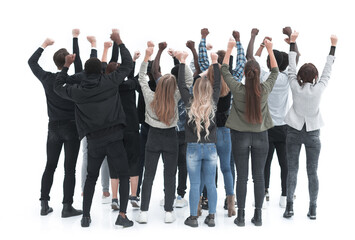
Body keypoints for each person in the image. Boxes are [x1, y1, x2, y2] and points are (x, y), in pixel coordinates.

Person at [54, 30, 134, 228]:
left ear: (84, 74)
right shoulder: (109, 82)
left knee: (91, 178)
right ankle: (122, 216)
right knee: (124, 175)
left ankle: (86, 216)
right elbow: (128, 65)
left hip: (94, 141)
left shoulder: (77, 92)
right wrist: (120, 42)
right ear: (100, 71)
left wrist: (66, 67)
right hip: (115, 138)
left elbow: (57, 86)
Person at [221, 36, 279, 227]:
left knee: (242, 177)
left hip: (239, 136)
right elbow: (275, 71)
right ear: (258, 74)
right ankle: (259, 216)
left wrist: (229, 48)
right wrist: (269, 49)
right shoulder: (264, 89)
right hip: (261, 137)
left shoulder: (237, 89)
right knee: (259, 176)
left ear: (245, 74)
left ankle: (242, 217)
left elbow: (224, 70)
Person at [135, 42, 193, 224]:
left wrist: (146, 57)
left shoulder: (150, 96)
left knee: (149, 175)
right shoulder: (176, 96)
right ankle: (169, 212)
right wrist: (182, 62)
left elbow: (143, 79)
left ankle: (143, 212)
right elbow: (188, 82)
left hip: (153, 137)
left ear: (159, 86)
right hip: (170, 138)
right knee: (170, 175)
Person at [283, 32, 337, 220]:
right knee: (312, 171)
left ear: (299, 76)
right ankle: (313, 208)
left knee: (292, 170)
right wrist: (333, 46)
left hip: (293, 132)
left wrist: (292, 43)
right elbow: (327, 71)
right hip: (313, 134)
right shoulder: (319, 88)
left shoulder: (295, 86)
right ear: (315, 77)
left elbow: (291, 68)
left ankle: (289, 207)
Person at [28, 38, 82, 218]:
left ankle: (44, 203)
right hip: (72, 127)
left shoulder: (47, 79)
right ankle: (67, 207)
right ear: (68, 62)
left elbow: (31, 62)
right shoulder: (74, 80)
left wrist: (44, 44)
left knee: (50, 165)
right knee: (69, 169)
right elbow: (81, 69)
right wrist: (75, 48)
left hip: (53, 128)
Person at [246, 27, 299, 208]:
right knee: (285, 163)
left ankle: (265, 192)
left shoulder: (266, 76)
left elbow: (251, 57)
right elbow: (295, 59)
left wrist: (257, 39)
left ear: (269, 64)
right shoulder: (287, 78)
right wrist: (292, 39)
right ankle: (285, 196)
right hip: (284, 127)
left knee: (265, 163)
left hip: (266, 127)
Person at [178, 50, 221, 227]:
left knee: (194, 183)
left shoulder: (189, 102)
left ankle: (193, 218)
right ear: (209, 90)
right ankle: (211, 217)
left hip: (193, 148)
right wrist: (215, 63)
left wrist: (182, 62)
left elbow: (181, 84)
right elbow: (217, 84)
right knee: (211, 184)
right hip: (210, 147)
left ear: (194, 89)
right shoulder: (213, 102)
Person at [71, 29, 111, 204]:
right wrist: (97, 46)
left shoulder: (79, 80)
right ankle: (104, 190)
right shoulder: (101, 80)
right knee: (102, 156)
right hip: (99, 124)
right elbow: (98, 64)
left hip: (88, 125)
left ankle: (90, 189)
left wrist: (77, 39)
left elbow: (83, 63)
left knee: (88, 154)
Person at [102, 38, 142, 210]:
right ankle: (133, 195)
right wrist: (139, 60)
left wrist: (132, 60)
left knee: (114, 163)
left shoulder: (105, 87)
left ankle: (115, 198)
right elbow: (136, 76)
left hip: (113, 130)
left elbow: (123, 73)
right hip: (131, 127)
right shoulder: (130, 85)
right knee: (134, 161)